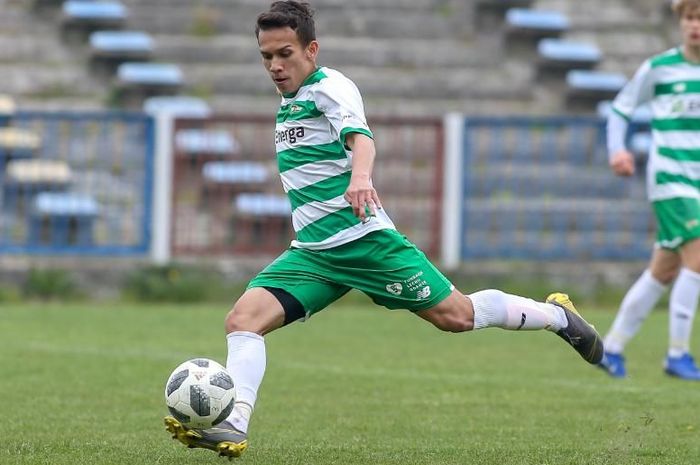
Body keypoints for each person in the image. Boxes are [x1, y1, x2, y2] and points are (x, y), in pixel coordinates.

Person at [163, 0, 603, 458]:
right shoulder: (289, 101)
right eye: (266, 56)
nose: (275, 65)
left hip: (364, 242)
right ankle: (233, 425)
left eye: (285, 54)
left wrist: (360, 176)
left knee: (457, 316)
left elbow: (360, 137)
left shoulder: (329, 87)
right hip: (314, 253)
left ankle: (558, 317)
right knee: (242, 320)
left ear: (311, 49)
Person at [597, 0, 700, 380]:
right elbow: (621, 108)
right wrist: (617, 149)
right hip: (671, 180)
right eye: (690, 17)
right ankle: (677, 354)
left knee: (663, 270)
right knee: (698, 253)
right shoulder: (660, 69)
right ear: (681, 21)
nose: (695, 25)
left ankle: (612, 347)